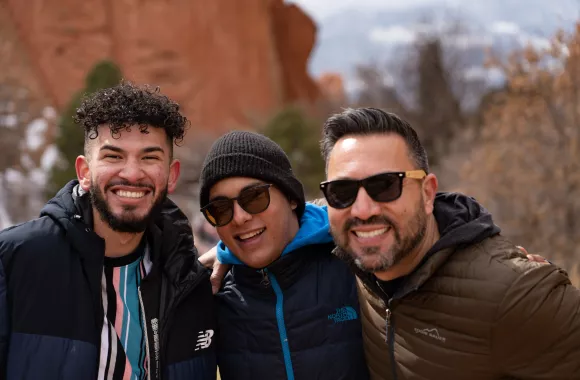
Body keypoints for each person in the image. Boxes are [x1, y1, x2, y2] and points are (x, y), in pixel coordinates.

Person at [319, 107, 580, 379]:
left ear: (428, 193)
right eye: (342, 192)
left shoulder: (514, 294)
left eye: (385, 185)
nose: (362, 210)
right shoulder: (350, 267)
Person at [0, 82, 216, 380]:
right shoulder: (15, 260)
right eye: (113, 156)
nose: (131, 173)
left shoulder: (189, 284)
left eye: (149, 157)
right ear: (84, 173)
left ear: (171, 175)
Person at [198, 131, 369, 380]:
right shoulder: (214, 293)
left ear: (291, 197)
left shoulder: (355, 259)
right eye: (220, 209)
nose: (239, 217)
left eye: (254, 197)